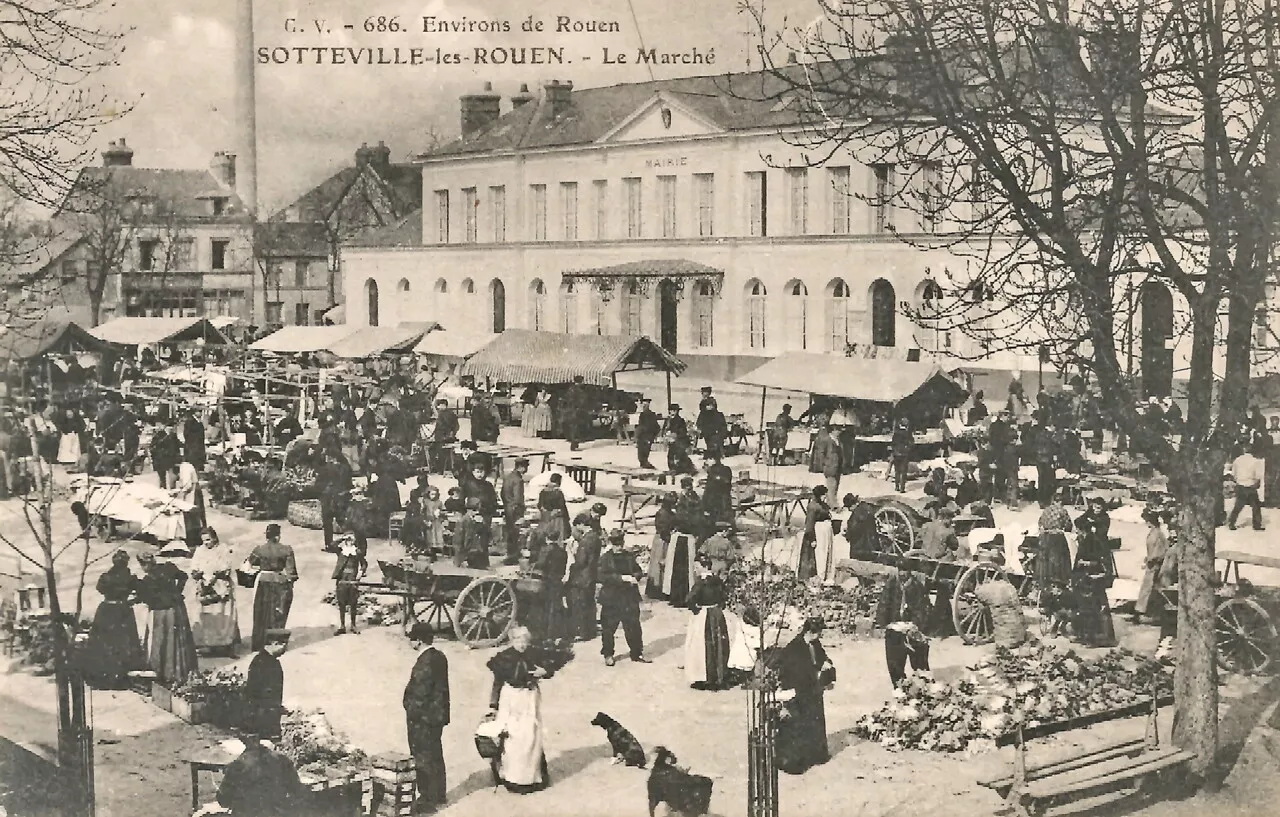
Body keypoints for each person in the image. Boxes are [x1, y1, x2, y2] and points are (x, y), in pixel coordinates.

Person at [487, 626, 556, 793]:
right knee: (513, 738)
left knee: (531, 737)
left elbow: (551, 666)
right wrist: (493, 706)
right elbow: (497, 683)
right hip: (511, 699)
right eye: (518, 640)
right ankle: (513, 778)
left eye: (525, 640)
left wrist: (545, 672)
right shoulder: (504, 658)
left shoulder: (534, 654)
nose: (522, 644)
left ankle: (532, 778)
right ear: (512, 641)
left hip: (530, 698)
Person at [775, 617, 834, 775]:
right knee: (801, 724)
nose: (819, 637)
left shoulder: (814, 644)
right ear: (809, 632)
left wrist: (825, 664)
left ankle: (816, 755)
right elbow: (793, 672)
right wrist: (815, 673)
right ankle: (800, 759)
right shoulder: (794, 647)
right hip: (800, 690)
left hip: (812, 688)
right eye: (817, 633)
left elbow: (822, 657)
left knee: (815, 721)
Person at [403, 622, 450, 813]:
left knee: (422, 756)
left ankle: (427, 800)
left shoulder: (424, 661)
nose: (411, 642)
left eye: (413, 639)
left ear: (419, 640)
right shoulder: (439, 657)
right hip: (437, 716)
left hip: (423, 718)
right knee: (436, 754)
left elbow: (420, 694)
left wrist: (410, 709)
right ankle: (439, 794)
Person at [135, 548, 199, 686]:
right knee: (177, 639)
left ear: (145, 565)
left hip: (162, 612)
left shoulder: (148, 580)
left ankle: (165, 672)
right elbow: (183, 576)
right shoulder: (168, 567)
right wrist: (177, 591)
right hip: (177, 607)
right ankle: (180, 670)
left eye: (142, 566)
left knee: (163, 640)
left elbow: (146, 598)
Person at [82, 549, 144, 688]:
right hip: (122, 610)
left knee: (104, 642)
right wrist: (132, 600)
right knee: (123, 642)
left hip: (106, 609)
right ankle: (121, 675)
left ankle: (104, 674)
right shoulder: (130, 578)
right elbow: (142, 591)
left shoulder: (106, 576)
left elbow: (100, 588)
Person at [216, 729, 306, 817]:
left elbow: (223, 801)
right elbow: (298, 790)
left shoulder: (238, 765)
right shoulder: (282, 759)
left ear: (241, 738)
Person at [598, 529, 649, 666]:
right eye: (616, 544)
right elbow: (601, 576)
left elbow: (638, 570)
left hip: (629, 597)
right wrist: (620, 578)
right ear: (611, 543)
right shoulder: (605, 558)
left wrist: (635, 577)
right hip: (611, 598)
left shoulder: (628, 556)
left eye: (620, 543)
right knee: (608, 628)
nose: (619, 547)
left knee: (633, 626)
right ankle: (608, 654)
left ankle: (636, 652)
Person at [875, 563, 932, 687]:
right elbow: (884, 604)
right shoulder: (892, 585)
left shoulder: (917, 587)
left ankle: (922, 688)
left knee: (920, 663)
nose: (902, 574)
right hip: (896, 628)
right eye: (900, 570)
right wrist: (884, 624)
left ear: (910, 572)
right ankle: (899, 687)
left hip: (912, 628)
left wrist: (915, 624)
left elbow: (923, 608)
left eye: (905, 571)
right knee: (894, 662)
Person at [247, 524, 298, 651]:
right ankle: (275, 640)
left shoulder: (259, 549)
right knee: (278, 611)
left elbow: (250, 562)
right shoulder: (286, 550)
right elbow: (291, 572)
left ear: (266, 535)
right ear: (278, 536)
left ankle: (260, 642)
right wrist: (290, 582)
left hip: (263, 580)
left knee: (261, 611)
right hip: (279, 581)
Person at [190, 527, 240, 656]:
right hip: (205, 587)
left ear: (214, 538)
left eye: (208, 539)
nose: (206, 543)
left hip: (220, 586)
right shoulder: (200, 551)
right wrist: (200, 576)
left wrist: (215, 576)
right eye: (204, 540)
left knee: (223, 615)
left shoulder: (223, 549)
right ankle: (208, 644)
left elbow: (227, 566)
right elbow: (194, 567)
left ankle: (225, 644)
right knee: (207, 616)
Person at [684, 562, 730, 689]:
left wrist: (695, 608)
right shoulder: (718, 581)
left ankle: (704, 677)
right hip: (717, 615)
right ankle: (719, 676)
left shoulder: (701, 583)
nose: (695, 570)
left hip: (703, 616)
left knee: (703, 645)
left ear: (704, 568)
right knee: (719, 645)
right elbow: (724, 597)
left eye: (697, 567)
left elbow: (689, 599)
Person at [1036, 491, 1075, 634]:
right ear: (1061, 502)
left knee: (1046, 561)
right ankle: (1059, 578)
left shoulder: (1046, 510)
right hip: (1056, 539)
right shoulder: (1063, 511)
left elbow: (1040, 523)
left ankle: (1046, 577)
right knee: (1060, 559)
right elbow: (1069, 526)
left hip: (1045, 538)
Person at [243, 629, 290, 739]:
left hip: (266, 716)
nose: (285, 649)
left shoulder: (264, 660)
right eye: (284, 645)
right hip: (264, 722)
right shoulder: (266, 663)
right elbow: (263, 696)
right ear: (274, 643)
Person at [566, 514, 601, 641]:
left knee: (579, 603)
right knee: (589, 602)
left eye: (577, 525)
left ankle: (582, 632)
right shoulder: (595, 537)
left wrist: (572, 553)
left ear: (581, 524)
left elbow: (581, 561)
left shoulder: (586, 541)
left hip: (582, 576)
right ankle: (590, 630)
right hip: (591, 574)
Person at [1134, 508, 1171, 623]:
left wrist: (1151, 559)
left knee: (1148, 588)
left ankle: (1143, 611)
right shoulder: (1154, 532)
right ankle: (1142, 610)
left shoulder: (1158, 534)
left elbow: (1160, 551)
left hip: (1155, 565)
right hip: (1152, 563)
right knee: (1147, 587)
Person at [316, 447, 353, 553]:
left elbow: (318, 484)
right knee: (342, 520)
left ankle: (329, 545)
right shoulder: (346, 467)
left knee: (327, 522)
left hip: (328, 498)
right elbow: (349, 484)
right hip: (341, 497)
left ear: (330, 457)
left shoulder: (326, 468)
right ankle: (350, 541)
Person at [332, 532, 368, 634]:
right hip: (342, 580)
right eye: (347, 540)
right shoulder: (341, 551)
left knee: (353, 603)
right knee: (341, 603)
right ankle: (342, 626)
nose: (349, 542)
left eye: (351, 540)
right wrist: (342, 538)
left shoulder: (357, 552)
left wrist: (360, 573)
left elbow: (364, 564)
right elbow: (332, 545)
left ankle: (353, 625)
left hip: (352, 579)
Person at [797, 485, 832, 582]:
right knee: (815, 555)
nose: (825, 497)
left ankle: (824, 574)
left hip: (824, 533)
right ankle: (812, 577)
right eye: (824, 495)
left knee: (824, 553)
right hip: (815, 533)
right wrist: (812, 538)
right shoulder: (812, 507)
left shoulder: (822, 504)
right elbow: (809, 524)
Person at [646, 494, 678, 599]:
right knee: (659, 564)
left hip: (664, 538)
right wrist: (670, 537)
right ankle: (658, 589)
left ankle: (660, 588)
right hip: (662, 540)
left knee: (661, 564)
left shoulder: (669, 513)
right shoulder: (662, 514)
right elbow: (662, 529)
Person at [1228, 444, 1266, 531]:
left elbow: (1233, 474)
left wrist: (1238, 480)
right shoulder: (1255, 461)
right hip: (1251, 486)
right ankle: (1257, 525)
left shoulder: (1237, 460)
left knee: (1238, 506)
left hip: (1240, 485)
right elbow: (1257, 476)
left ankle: (1231, 522)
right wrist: (1257, 484)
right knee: (1256, 506)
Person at [173, 456, 207, 550]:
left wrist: (179, 494)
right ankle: (197, 537)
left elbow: (187, 485)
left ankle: (194, 540)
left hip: (193, 492)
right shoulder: (186, 465)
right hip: (193, 491)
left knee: (192, 516)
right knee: (196, 516)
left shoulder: (184, 468)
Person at [502, 458, 529, 565]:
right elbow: (518, 498)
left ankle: (510, 554)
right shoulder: (518, 480)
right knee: (515, 533)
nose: (526, 470)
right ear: (521, 467)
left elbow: (502, 493)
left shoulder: (508, 477)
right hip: (515, 509)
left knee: (509, 532)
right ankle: (513, 557)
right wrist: (521, 509)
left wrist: (507, 504)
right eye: (526, 467)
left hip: (507, 507)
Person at [454, 497, 492, 569]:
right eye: (474, 510)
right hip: (465, 556)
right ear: (468, 509)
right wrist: (461, 560)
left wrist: (482, 524)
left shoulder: (476, 520)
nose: (477, 512)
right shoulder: (463, 521)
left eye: (478, 510)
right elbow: (458, 542)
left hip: (475, 554)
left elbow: (483, 535)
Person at [842, 494, 880, 558]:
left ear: (853, 505)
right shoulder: (867, 509)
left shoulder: (856, 515)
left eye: (849, 507)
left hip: (859, 549)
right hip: (872, 547)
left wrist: (846, 533)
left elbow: (853, 530)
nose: (849, 509)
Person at [702, 455, 734, 528]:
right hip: (723, 501)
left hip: (718, 503)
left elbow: (709, 491)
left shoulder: (714, 471)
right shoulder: (725, 469)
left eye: (708, 460)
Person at [814, 420, 843, 501]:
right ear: (833, 430)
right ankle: (833, 505)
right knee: (831, 486)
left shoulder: (838, 440)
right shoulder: (826, 440)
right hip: (830, 467)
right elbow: (820, 453)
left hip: (837, 466)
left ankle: (831, 502)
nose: (839, 432)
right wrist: (825, 464)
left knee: (836, 486)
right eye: (838, 430)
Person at [537, 473, 570, 540]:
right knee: (557, 537)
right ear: (558, 481)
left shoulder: (543, 491)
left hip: (545, 518)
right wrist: (567, 518)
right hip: (556, 519)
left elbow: (539, 505)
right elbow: (562, 506)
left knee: (545, 536)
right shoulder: (558, 492)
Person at [430, 398, 459, 474]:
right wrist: (453, 433)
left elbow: (440, 427)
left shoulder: (441, 414)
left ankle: (439, 469)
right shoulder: (452, 413)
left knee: (436, 451)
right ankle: (447, 468)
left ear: (444, 405)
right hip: (449, 438)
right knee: (444, 452)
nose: (439, 407)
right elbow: (457, 426)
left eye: (440, 405)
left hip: (441, 438)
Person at [665, 404, 696, 475]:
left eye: (673, 410)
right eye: (670, 410)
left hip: (680, 441)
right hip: (672, 440)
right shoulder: (669, 420)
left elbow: (682, 432)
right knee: (671, 455)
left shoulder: (679, 420)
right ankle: (673, 468)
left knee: (679, 455)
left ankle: (686, 468)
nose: (671, 412)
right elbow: (667, 429)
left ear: (677, 411)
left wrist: (675, 435)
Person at [151, 418, 181, 489]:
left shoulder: (173, 435)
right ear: (166, 427)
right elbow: (153, 447)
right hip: (161, 460)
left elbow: (178, 444)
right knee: (162, 478)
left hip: (171, 459)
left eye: (173, 427)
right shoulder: (159, 435)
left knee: (172, 477)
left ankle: (172, 490)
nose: (172, 429)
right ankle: (163, 490)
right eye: (170, 427)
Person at [562, 375, 589, 451]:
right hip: (576, 411)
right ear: (580, 382)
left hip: (570, 411)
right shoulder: (577, 390)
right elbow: (580, 401)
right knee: (576, 428)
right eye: (582, 381)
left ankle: (575, 443)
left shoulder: (571, 389)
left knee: (574, 427)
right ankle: (573, 445)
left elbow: (566, 399)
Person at [635, 398, 661, 469]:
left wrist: (652, 436)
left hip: (647, 437)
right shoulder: (642, 415)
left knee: (644, 454)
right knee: (641, 455)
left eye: (645, 405)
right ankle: (644, 466)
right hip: (642, 437)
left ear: (648, 405)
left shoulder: (651, 415)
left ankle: (646, 467)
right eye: (643, 404)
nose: (644, 406)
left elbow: (655, 427)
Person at [891, 418, 913, 493]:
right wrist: (908, 449)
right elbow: (911, 443)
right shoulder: (908, 434)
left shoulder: (896, 433)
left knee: (897, 471)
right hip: (904, 454)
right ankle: (902, 488)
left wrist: (895, 450)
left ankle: (896, 486)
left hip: (896, 454)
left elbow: (893, 443)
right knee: (903, 471)